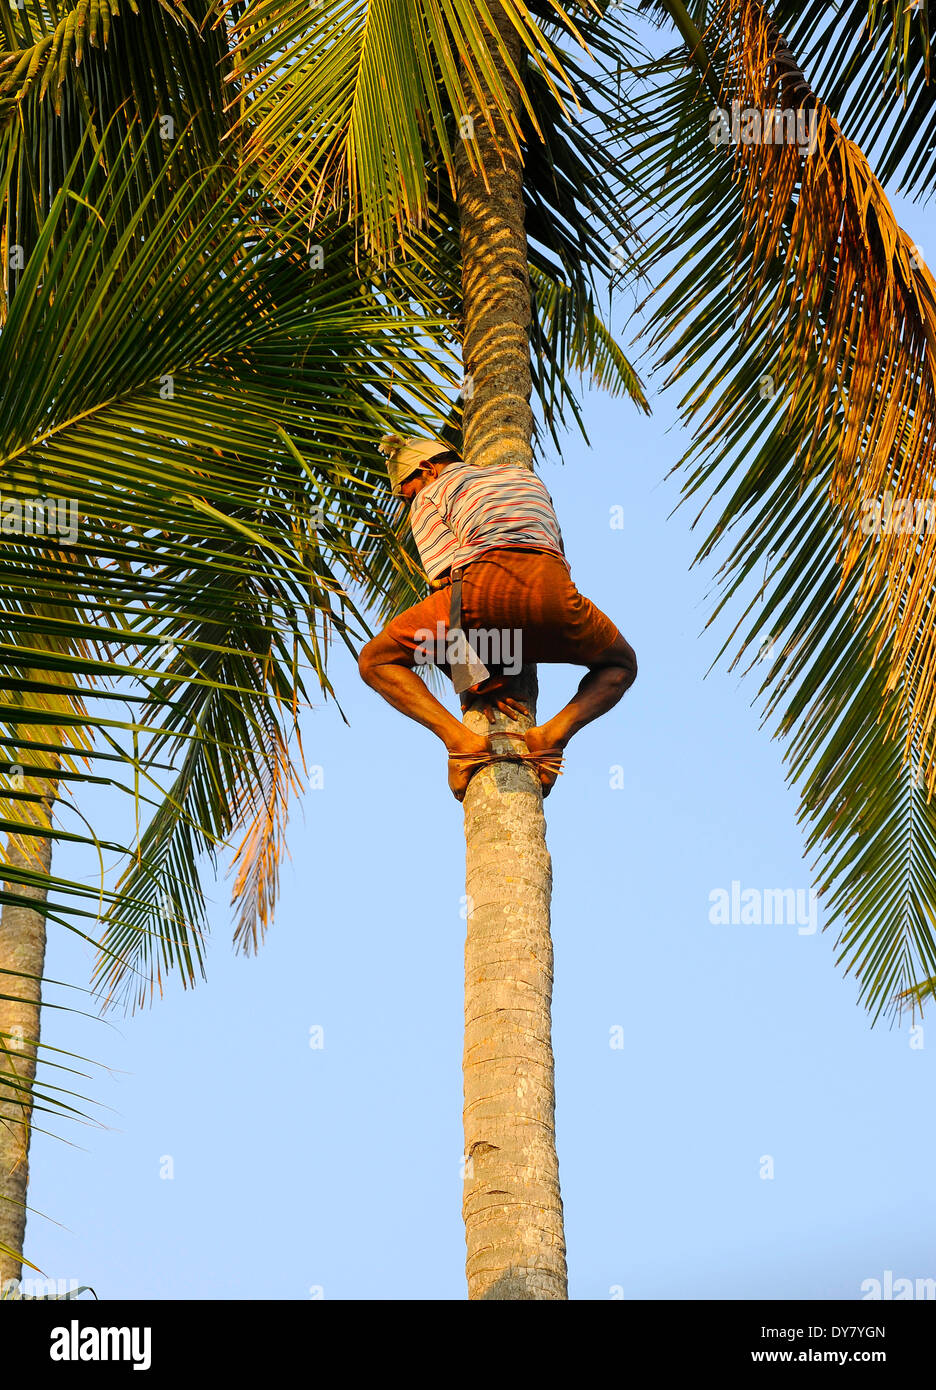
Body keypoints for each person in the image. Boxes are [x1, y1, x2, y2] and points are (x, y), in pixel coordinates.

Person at [358, 434, 637, 801]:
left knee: (374, 661)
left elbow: (445, 583)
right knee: (621, 664)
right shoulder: (526, 479)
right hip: (553, 591)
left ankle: (459, 743)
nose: (408, 500)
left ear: (427, 469)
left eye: (405, 492)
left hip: (484, 591)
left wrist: (473, 679)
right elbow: (556, 547)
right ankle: (553, 736)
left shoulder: (430, 495)